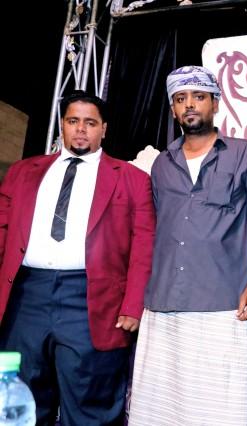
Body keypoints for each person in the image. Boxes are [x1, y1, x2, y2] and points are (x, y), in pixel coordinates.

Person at [0, 90, 155, 425]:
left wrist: (133, 305)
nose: (81, 129)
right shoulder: (23, 171)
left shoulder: (132, 179)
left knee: (90, 406)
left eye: (90, 123)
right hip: (26, 298)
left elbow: (144, 246)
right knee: (20, 404)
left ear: (104, 129)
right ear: (62, 125)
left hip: (92, 300)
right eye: (73, 121)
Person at [127, 65, 247, 425]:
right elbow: (155, 231)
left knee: (222, 410)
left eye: (199, 96)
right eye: (180, 99)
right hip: (165, 302)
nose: (189, 104)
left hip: (225, 302)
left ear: (215, 104)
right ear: (173, 110)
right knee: (162, 410)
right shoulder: (161, 164)